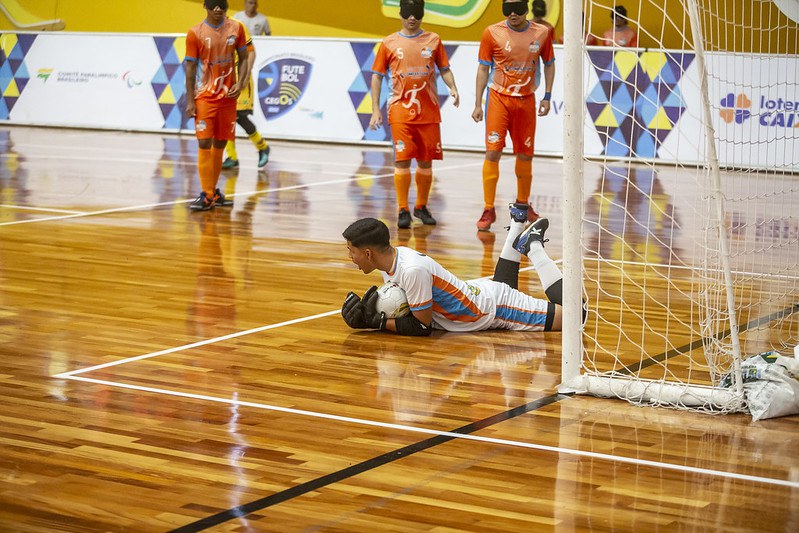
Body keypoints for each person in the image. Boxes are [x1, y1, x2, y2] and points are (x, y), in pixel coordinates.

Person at [341, 203, 565, 335]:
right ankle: (518, 224)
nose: (351, 257)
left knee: (576, 317)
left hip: (496, 308)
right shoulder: (391, 260)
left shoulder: (411, 271)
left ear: (368, 253)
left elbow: (421, 326)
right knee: (504, 286)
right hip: (480, 294)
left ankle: (533, 246)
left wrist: (374, 323)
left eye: (352, 251)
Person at [369, 0, 460, 229]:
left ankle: (421, 206)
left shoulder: (433, 40)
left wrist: (453, 87)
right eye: (408, 13)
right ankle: (402, 209)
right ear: (400, 14)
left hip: (428, 112)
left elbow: (445, 69)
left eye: (416, 13)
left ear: (422, 14)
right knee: (402, 161)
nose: (412, 18)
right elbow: (377, 76)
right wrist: (374, 110)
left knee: (425, 163)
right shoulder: (389, 43)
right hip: (400, 110)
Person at [472, 0, 555, 231]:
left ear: (527, 8)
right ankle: (489, 208)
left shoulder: (542, 33)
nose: (513, 14)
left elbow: (549, 64)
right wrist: (478, 103)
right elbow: (482, 68)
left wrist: (547, 95)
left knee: (526, 155)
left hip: (526, 101)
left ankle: (522, 204)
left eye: (518, 8)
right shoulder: (492, 33)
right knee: (493, 152)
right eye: (507, 9)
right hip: (498, 99)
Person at [184, 0, 249, 211]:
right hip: (205, 97)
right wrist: (190, 100)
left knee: (220, 145)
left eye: (222, 4)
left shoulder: (236, 28)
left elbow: (245, 57)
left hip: (228, 98)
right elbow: (191, 68)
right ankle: (207, 194)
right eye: (214, 5)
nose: (218, 9)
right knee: (204, 143)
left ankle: (212, 192)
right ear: (205, 6)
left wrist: (241, 84)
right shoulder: (195, 33)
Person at [220, 20, 271, 171]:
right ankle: (232, 157)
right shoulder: (209, 29)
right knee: (226, 118)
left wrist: (245, 75)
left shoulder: (236, 26)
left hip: (240, 77)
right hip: (225, 79)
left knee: (240, 115)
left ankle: (262, 147)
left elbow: (251, 52)